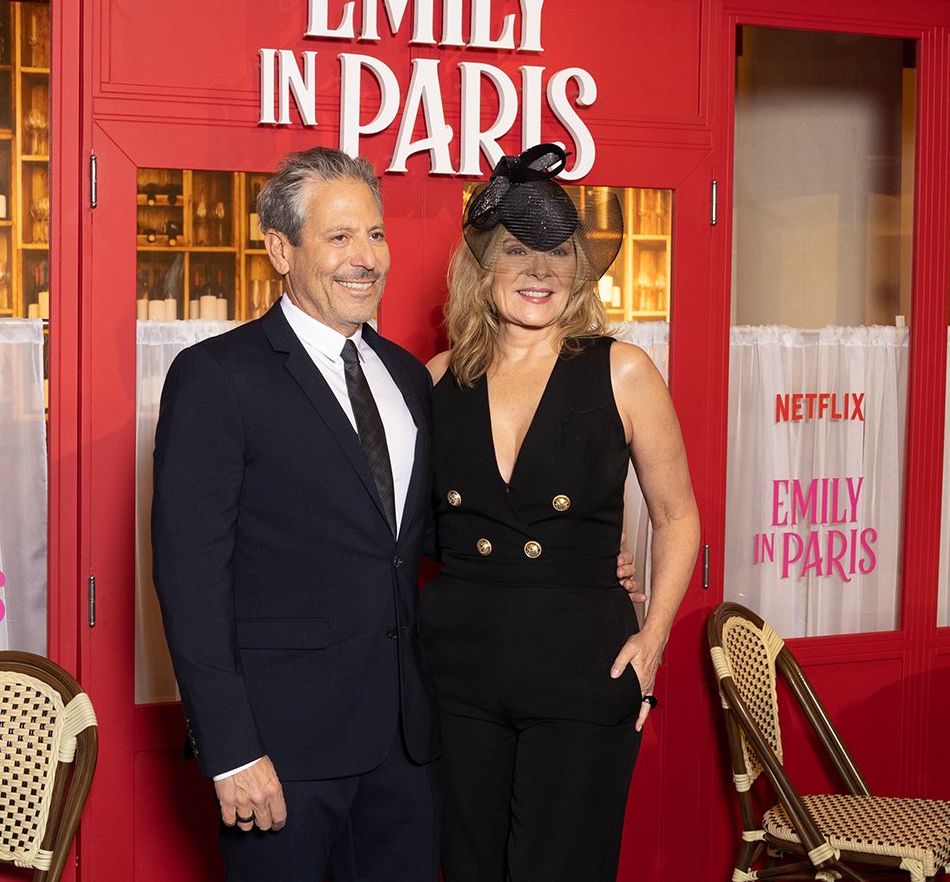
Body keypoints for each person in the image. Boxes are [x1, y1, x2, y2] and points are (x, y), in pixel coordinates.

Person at [151, 146, 442, 882]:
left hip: (404, 750)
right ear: (281, 250)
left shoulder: (406, 376)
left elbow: (413, 540)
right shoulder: (218, 377)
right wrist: (233, 750)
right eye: (339, 237)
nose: (365, 257)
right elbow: (189, 579)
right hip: (279, 758)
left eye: (375, 234)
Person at [419, 143, 700, 882]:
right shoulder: (436, 380)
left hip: (582, 663)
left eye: (557, 253)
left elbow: (677, 518)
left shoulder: (623, 369)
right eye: (516, 249)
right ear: (481, 264)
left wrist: (653, 642)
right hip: (456, 670)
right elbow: (403, 533)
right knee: (467, 867)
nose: (539, 272)